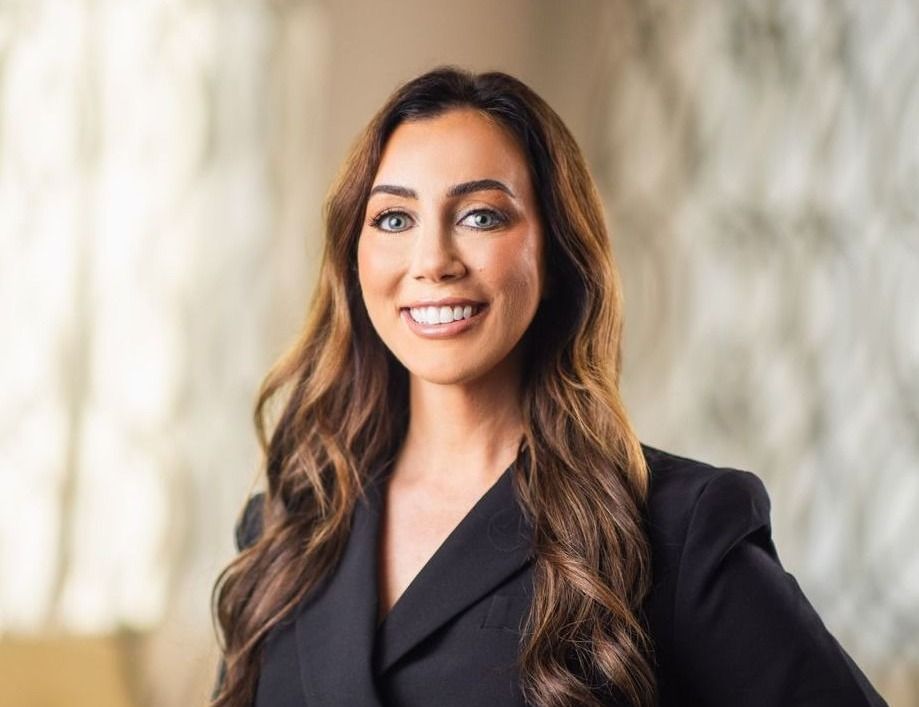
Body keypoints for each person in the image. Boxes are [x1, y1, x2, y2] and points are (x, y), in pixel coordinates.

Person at [209, 66, 887, 707]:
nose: (433, 260)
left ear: (556, 250)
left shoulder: (677, 528)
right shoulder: (287, 528)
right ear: (352, 257)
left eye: (480, 215)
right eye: (393, 219)